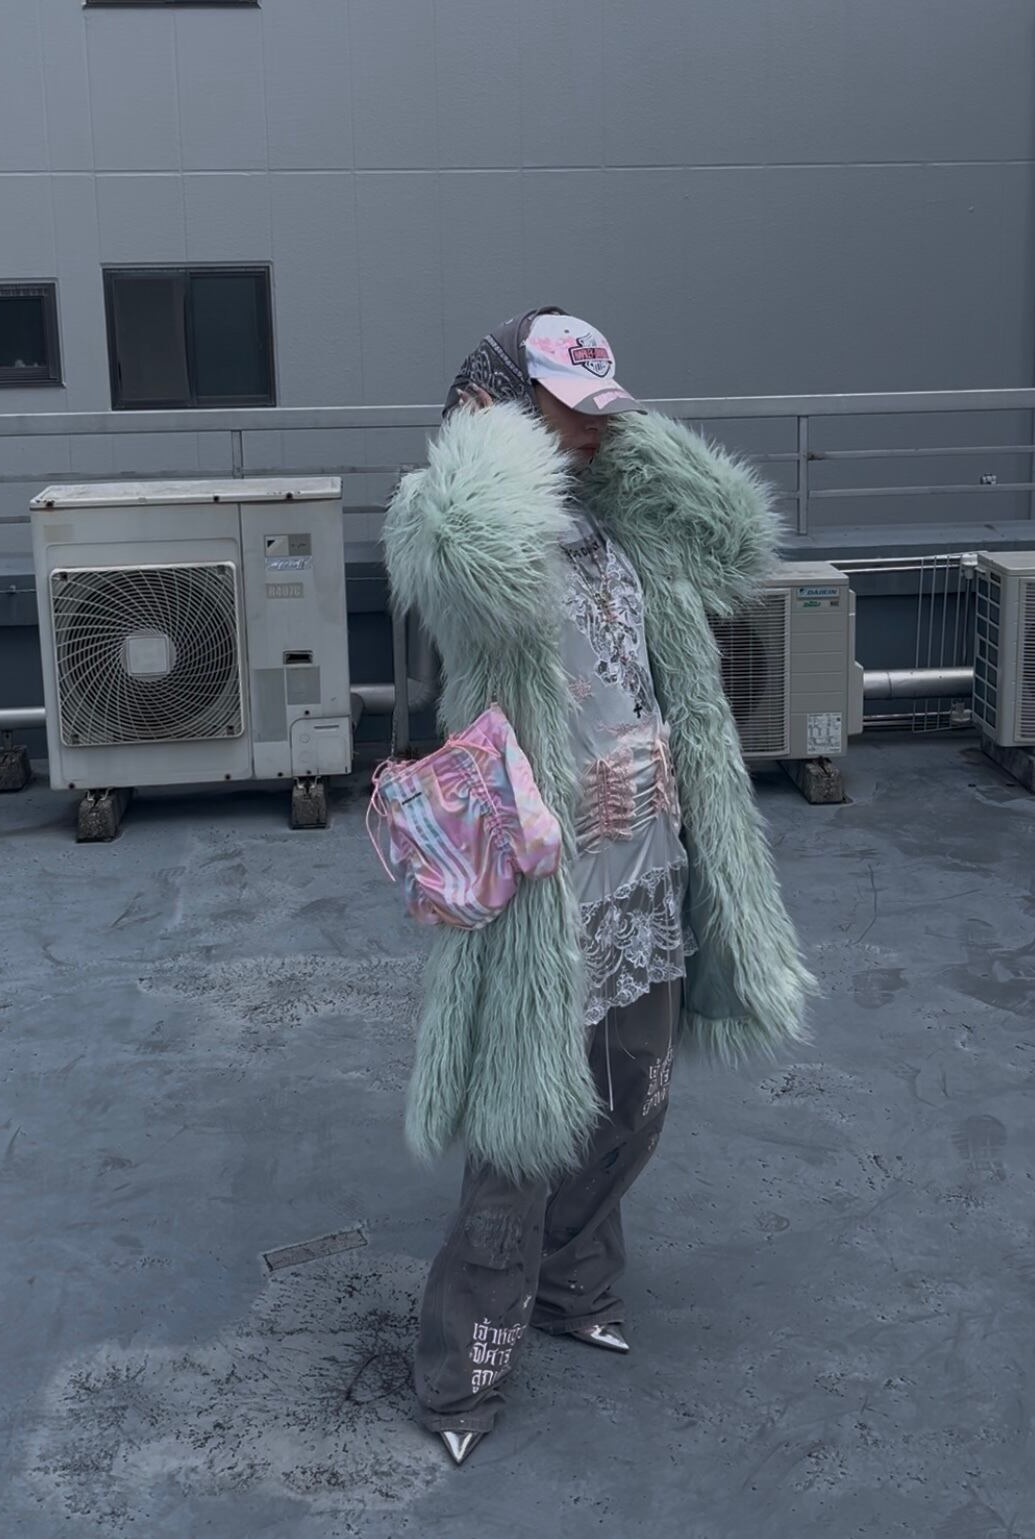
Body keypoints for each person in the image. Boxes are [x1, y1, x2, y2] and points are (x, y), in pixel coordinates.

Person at [383, 308, 815, 1465]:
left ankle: (574, 1279)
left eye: (601, 413)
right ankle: (461, 1370)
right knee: (522, 1134)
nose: (590, 433)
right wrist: (481, 427)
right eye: (567, 410)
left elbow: (734, 541)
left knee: (636, 1104)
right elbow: (458, 540)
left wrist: (633, 445)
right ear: (504, 405)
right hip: (547, 887)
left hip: (649, 863)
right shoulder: (462, 520)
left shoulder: (619, 518)